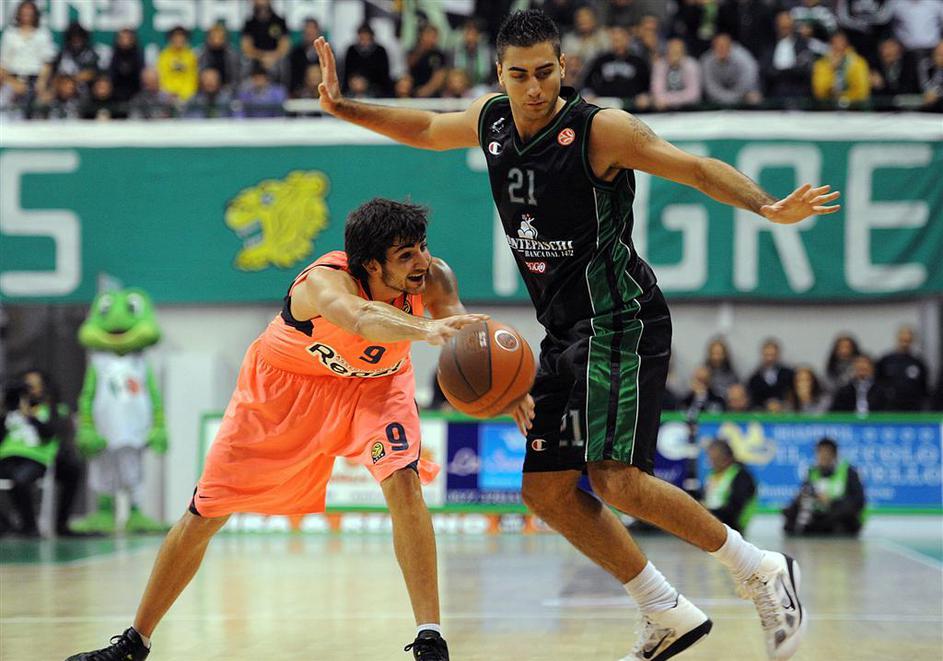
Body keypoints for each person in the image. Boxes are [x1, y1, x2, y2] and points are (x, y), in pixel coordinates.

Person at [314, 8, 842, 659]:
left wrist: (765, 205)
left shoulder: (600, 130)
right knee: (545, 490)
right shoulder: (492, 121)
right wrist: (343, 107)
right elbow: (424, 127)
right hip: (562, 331)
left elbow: (695, 168)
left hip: (620, 319)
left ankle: (759, 567)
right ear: (500, 74)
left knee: (614, 477)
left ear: (564, 66)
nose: (534, 88)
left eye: (545, 72)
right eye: (519, 75)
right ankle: (663, 609)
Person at [64, 198, 486, 661]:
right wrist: (424, 330)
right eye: (406, 255)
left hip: (375, 389)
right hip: (282, 392)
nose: (422, 261)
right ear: (370, 264)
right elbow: (363, 318)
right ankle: (135, 642)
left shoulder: (434, 276)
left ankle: (430, 639)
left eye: (422, 247)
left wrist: (508, 391)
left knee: (404, 483)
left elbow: (463, 340)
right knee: (205, 515)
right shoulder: (323, 282)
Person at [783, 437, 865, 536]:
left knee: (840, 518)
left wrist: (831, 502)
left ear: (834, 455)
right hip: (818, 514)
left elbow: (858, 500)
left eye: (826, 453)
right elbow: (803, 493)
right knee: (795, 516)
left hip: (840, 516)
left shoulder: (849, 472)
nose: (823, 456)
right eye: (820, 452)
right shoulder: (812, 472)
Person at [701, 439, 757, 534]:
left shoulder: (741, 476)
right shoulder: (713, 474)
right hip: (712, 523)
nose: (710, 462)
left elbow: (736, 507)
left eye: (714, 459)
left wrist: (708, 512)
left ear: (725, 457)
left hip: (733, 527)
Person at [875, 326, 929, 411]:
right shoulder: (886, 360)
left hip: (913, 407)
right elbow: (878, 382)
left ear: (912, 340)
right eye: (903, 339)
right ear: (898, 339)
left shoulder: (918, 362)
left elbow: (924, 387)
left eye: (907, 340)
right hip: (890, 406)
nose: (905, 343)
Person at [747, 339, 795, 411]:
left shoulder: (788, 374)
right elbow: (753, 399)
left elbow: (792, 394)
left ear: (778, 355)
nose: (770, 358)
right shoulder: (755, 378)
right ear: (762, 355)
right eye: (767, 355)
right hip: (762, 412)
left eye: (772, 355)